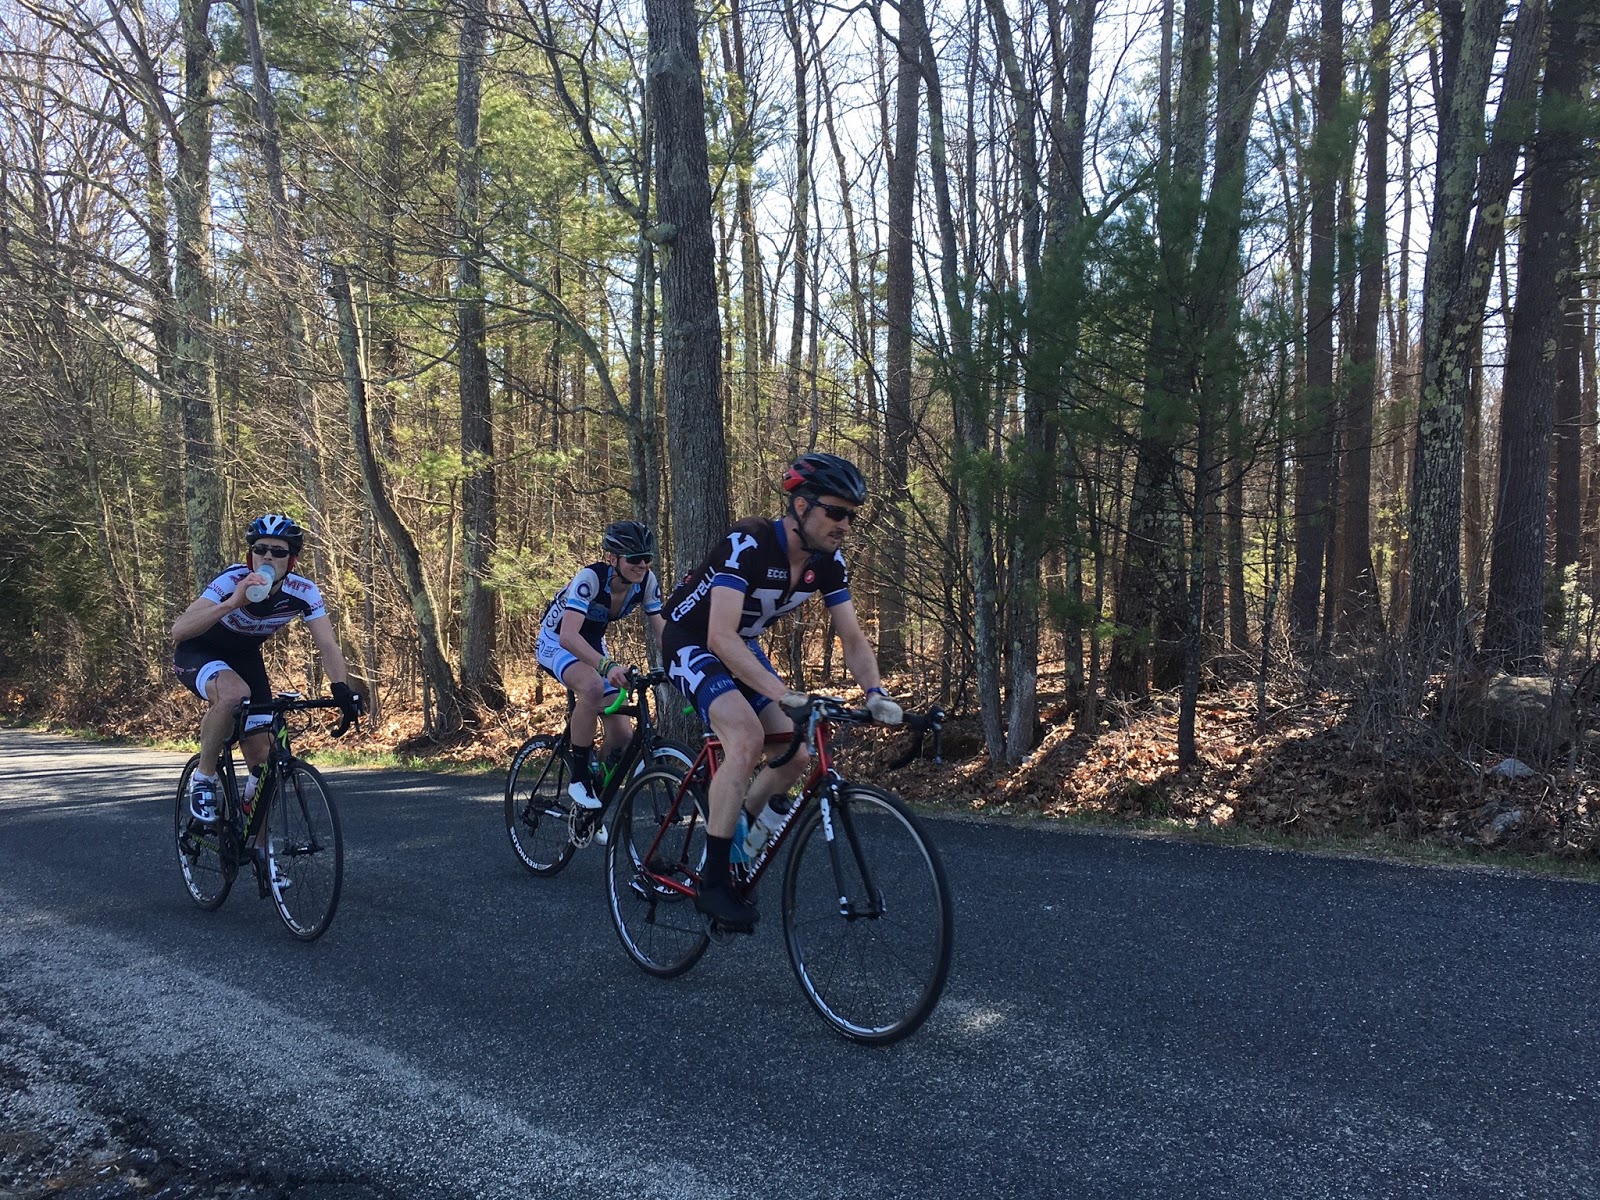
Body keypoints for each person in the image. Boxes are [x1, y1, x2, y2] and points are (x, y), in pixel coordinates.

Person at [661, 452, 903, 930]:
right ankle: (712, 885)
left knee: (794, 755)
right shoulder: (747, 542)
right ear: (799, 505)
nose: (845, 525)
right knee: (747, 739)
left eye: (851, 515)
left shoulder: (828, 563)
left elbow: (853, 639)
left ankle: (735, 834)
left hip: (741, 645)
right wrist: (782, 691)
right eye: (835, 512)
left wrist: (875, 692)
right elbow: (719, 637)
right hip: (692, 639)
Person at [172, 514, 362, 830]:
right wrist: (231, 603)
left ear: (292, 560)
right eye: (261, 549)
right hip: (199, 650)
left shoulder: (304, 591)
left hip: (245, 656)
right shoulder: (231, 581)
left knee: (263, 755)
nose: (268, 557)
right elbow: (179, 630)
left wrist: (340, 688)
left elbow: (327, 644)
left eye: (278, 551)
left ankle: (263, 857)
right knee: (234, 693)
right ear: (251, 554)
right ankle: (204, 778)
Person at [535, 520, 666, 813]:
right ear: (613, 558)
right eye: (634, 559)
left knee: (623, 735)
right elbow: (568, 636)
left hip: (592, 644)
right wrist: (606, 666)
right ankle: (579, 777)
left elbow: (662, 634)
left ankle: (593, 794)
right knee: (592, 687)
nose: (642, 564)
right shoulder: (590, 578)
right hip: (557, 640)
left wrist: (683, 665)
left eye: (647, 558)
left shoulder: (646, 582)